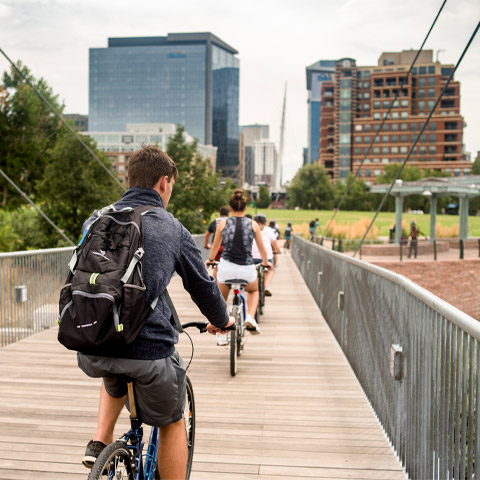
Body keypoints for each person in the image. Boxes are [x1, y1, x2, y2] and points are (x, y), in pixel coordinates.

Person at [77, 145, 234, 478]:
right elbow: (204, 286)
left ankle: (99, 442)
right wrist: (222, 321)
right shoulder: (171, 227)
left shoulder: (97, 218)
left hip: (92, 343)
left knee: (114, 368)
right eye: (172, 186)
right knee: (173, 421)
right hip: (149, 355)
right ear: (164, 182)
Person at [208, 189, 270, 340]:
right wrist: (266, 262)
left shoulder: (223, 223)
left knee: (221, 298)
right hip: (246, 269)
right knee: (253, 291)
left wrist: (210, 260)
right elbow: (261, 248)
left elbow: (215, 246)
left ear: (230, 208)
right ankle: (250, 317)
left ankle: (221, 334)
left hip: (227, 268)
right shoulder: (253, 224)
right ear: (245, 208)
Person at [252, 214, 280, 296]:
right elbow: (274, 244)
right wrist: (278, 251)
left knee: (252, 269)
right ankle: (266, 286)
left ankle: (251, 284)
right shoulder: (269, 230)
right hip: (266, 258)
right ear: (265, 223)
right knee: (270, 269)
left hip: (252, 257)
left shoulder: (249, 229)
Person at [204, 205, 229, 278]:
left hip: (217, 248)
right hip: (228, 248)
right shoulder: (231, 221)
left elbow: (207, 235)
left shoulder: (215, 222)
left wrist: (206, 245)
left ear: (219, 213)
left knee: (216, 267)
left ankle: (216, 286)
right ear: (228, 213)